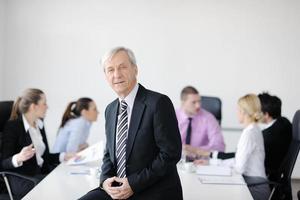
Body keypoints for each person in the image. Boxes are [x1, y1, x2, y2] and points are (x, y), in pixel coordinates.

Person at [79, 47, 183, 200]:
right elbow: (109, 153)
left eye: (122, 67)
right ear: (106, 76)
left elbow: (170, 154)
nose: (117, 75)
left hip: (152, 189)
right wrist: (105, 180)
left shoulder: (158, 103)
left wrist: (133, 184)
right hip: (118, 189)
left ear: (135, 69)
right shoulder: (110, 109)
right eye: (110, 70)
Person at [0, 88, 75, 198]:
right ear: (33, 106)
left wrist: (64, 156)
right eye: (44, 104)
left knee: (68, 177)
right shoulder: (13, 126)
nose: (47, 107)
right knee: (59, 186)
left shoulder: (39, 124)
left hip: (39, 174)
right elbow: (3, 163)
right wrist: (19, 157)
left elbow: (45, 157)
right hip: (23, 179)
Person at [258, 92, 292, 199]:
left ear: (266, 114)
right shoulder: (285, 123)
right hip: (277, 178)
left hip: (265, 178)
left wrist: (216, 155)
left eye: (258, 111)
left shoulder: (267, 135)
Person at [176, 86, 225, 157]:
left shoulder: (208, 118)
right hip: (177, 161)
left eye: (199, 101)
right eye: (194, 102)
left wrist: (195, 150)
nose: (198, 106)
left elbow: (219, 146)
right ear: (183, 103)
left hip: (201, 161)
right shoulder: (172, 116)